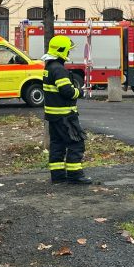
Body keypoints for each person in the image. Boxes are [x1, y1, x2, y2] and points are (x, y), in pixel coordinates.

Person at [42, 35, 92, 185]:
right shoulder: (59, 69)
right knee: (76, 144)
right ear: (61, 51)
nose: (69, 54)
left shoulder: (49, 67)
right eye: (68, 51)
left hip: (53, 116)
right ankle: (74, 175)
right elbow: (67, 91)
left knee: (57, 145)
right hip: (64, 116)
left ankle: (58, 176)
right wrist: (80, 92)